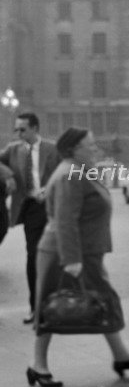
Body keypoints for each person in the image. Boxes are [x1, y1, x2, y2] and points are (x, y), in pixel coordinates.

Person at [26, 127, 129, 387]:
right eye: (89, 146)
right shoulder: (70, 174)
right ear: (73, 150)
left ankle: (121, 355)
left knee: (103, 300)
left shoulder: (78, 170)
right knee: (50, 306)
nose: (95, 149)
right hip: (67, 253)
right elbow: (65, 220)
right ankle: (38, 364)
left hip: (80, 251)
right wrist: (72, 260)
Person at [0, 113, 61, 323]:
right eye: (16, 129)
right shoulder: (13, 149)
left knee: (54, 257)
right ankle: (35, 308)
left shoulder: (52, 149)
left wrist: (49, 188)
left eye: (22, 129)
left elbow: (68, 170)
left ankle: (53, 305)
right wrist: (7, 174)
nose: (18, 133)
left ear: (35, 128)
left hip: (52, 207)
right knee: (33, 256)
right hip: (31, 208)